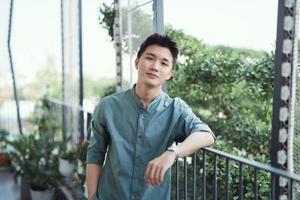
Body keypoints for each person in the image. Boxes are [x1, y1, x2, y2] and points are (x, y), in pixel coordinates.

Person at [86, 33, 215, 200]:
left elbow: (206, 134)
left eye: (164, 63)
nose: (155, 66)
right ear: (137, 62)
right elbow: (95, 154)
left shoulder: (176, 109)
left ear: (170, 73)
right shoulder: (108, 106)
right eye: (150, 58)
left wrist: (172, 153)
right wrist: (92, 197)